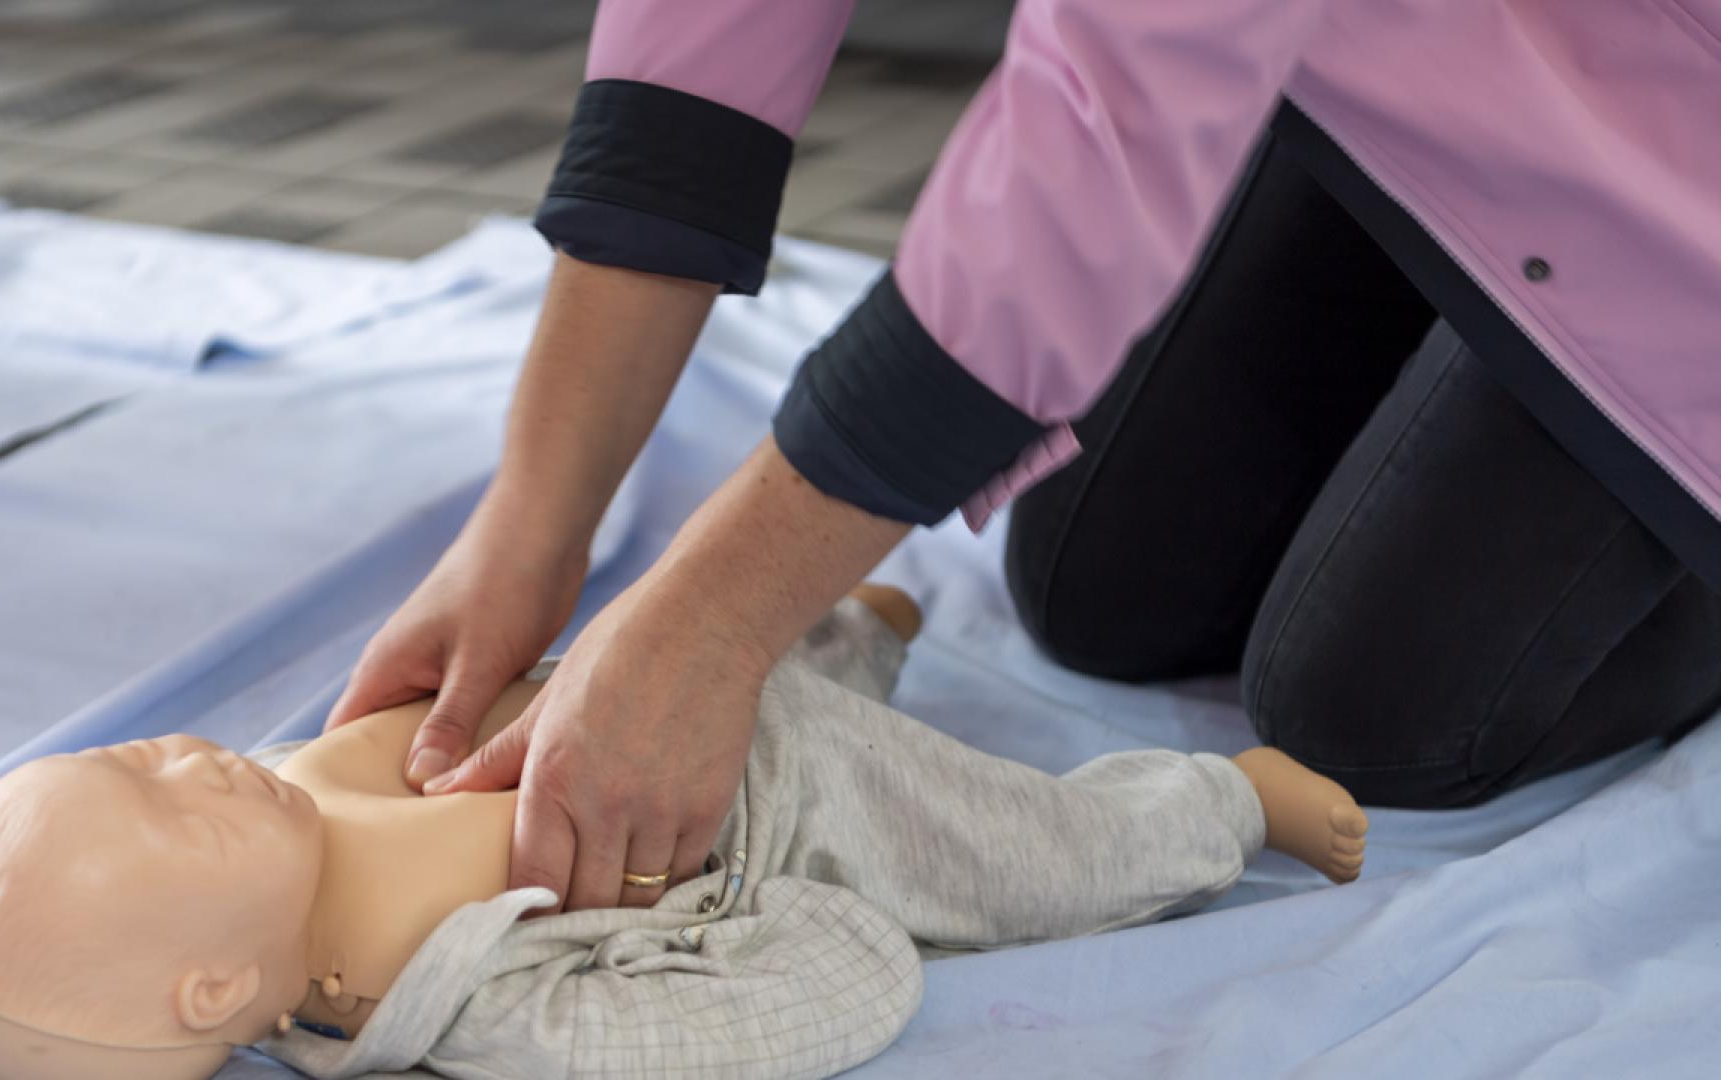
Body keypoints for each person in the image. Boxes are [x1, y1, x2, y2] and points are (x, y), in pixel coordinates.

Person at [330, 1, 1721, 915]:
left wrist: (707, 623)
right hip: (1426, 60)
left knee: (1379, 715)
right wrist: (531, 519)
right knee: (1100, 585)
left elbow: (1091, 149)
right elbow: (704, 45)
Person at [0, 589, 1365, 1080]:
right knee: (1035, 856)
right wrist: (782, 910)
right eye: (165, 805)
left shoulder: (272, 812)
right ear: (215, 992)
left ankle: (845, 627)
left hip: (644, 680)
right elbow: (826, 990)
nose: (186, 757)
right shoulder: (478, 1011)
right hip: (785, 808)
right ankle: (1228, 802)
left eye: (130, 756)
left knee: (768, 640)